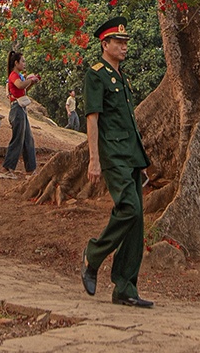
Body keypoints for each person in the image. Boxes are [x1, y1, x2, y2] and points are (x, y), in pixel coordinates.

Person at [81, 17, 153, 308]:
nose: (124, 47)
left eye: (125, 43)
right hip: (112, 154)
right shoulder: (96, 75)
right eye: (119, 42)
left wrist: (141, 159)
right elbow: (92, 118)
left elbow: (129, 121)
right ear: (105, 44)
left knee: (137, 222)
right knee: (129, 208)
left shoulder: (121, 76)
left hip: (131, 155)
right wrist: (94, 160)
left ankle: (125, 287)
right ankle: (93, 255)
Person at [3, 50, 40, 176]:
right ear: (16, 62)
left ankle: (31, 170)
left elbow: (23, 90)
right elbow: (19, 86)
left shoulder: (19, 76)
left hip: (21, 109)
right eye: (22, 61)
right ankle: (7, 168)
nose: (24, 64)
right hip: (16, 109)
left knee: (28, 139)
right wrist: (30, 80)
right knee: (18, 139)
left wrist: (31, 82)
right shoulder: (14, 75)